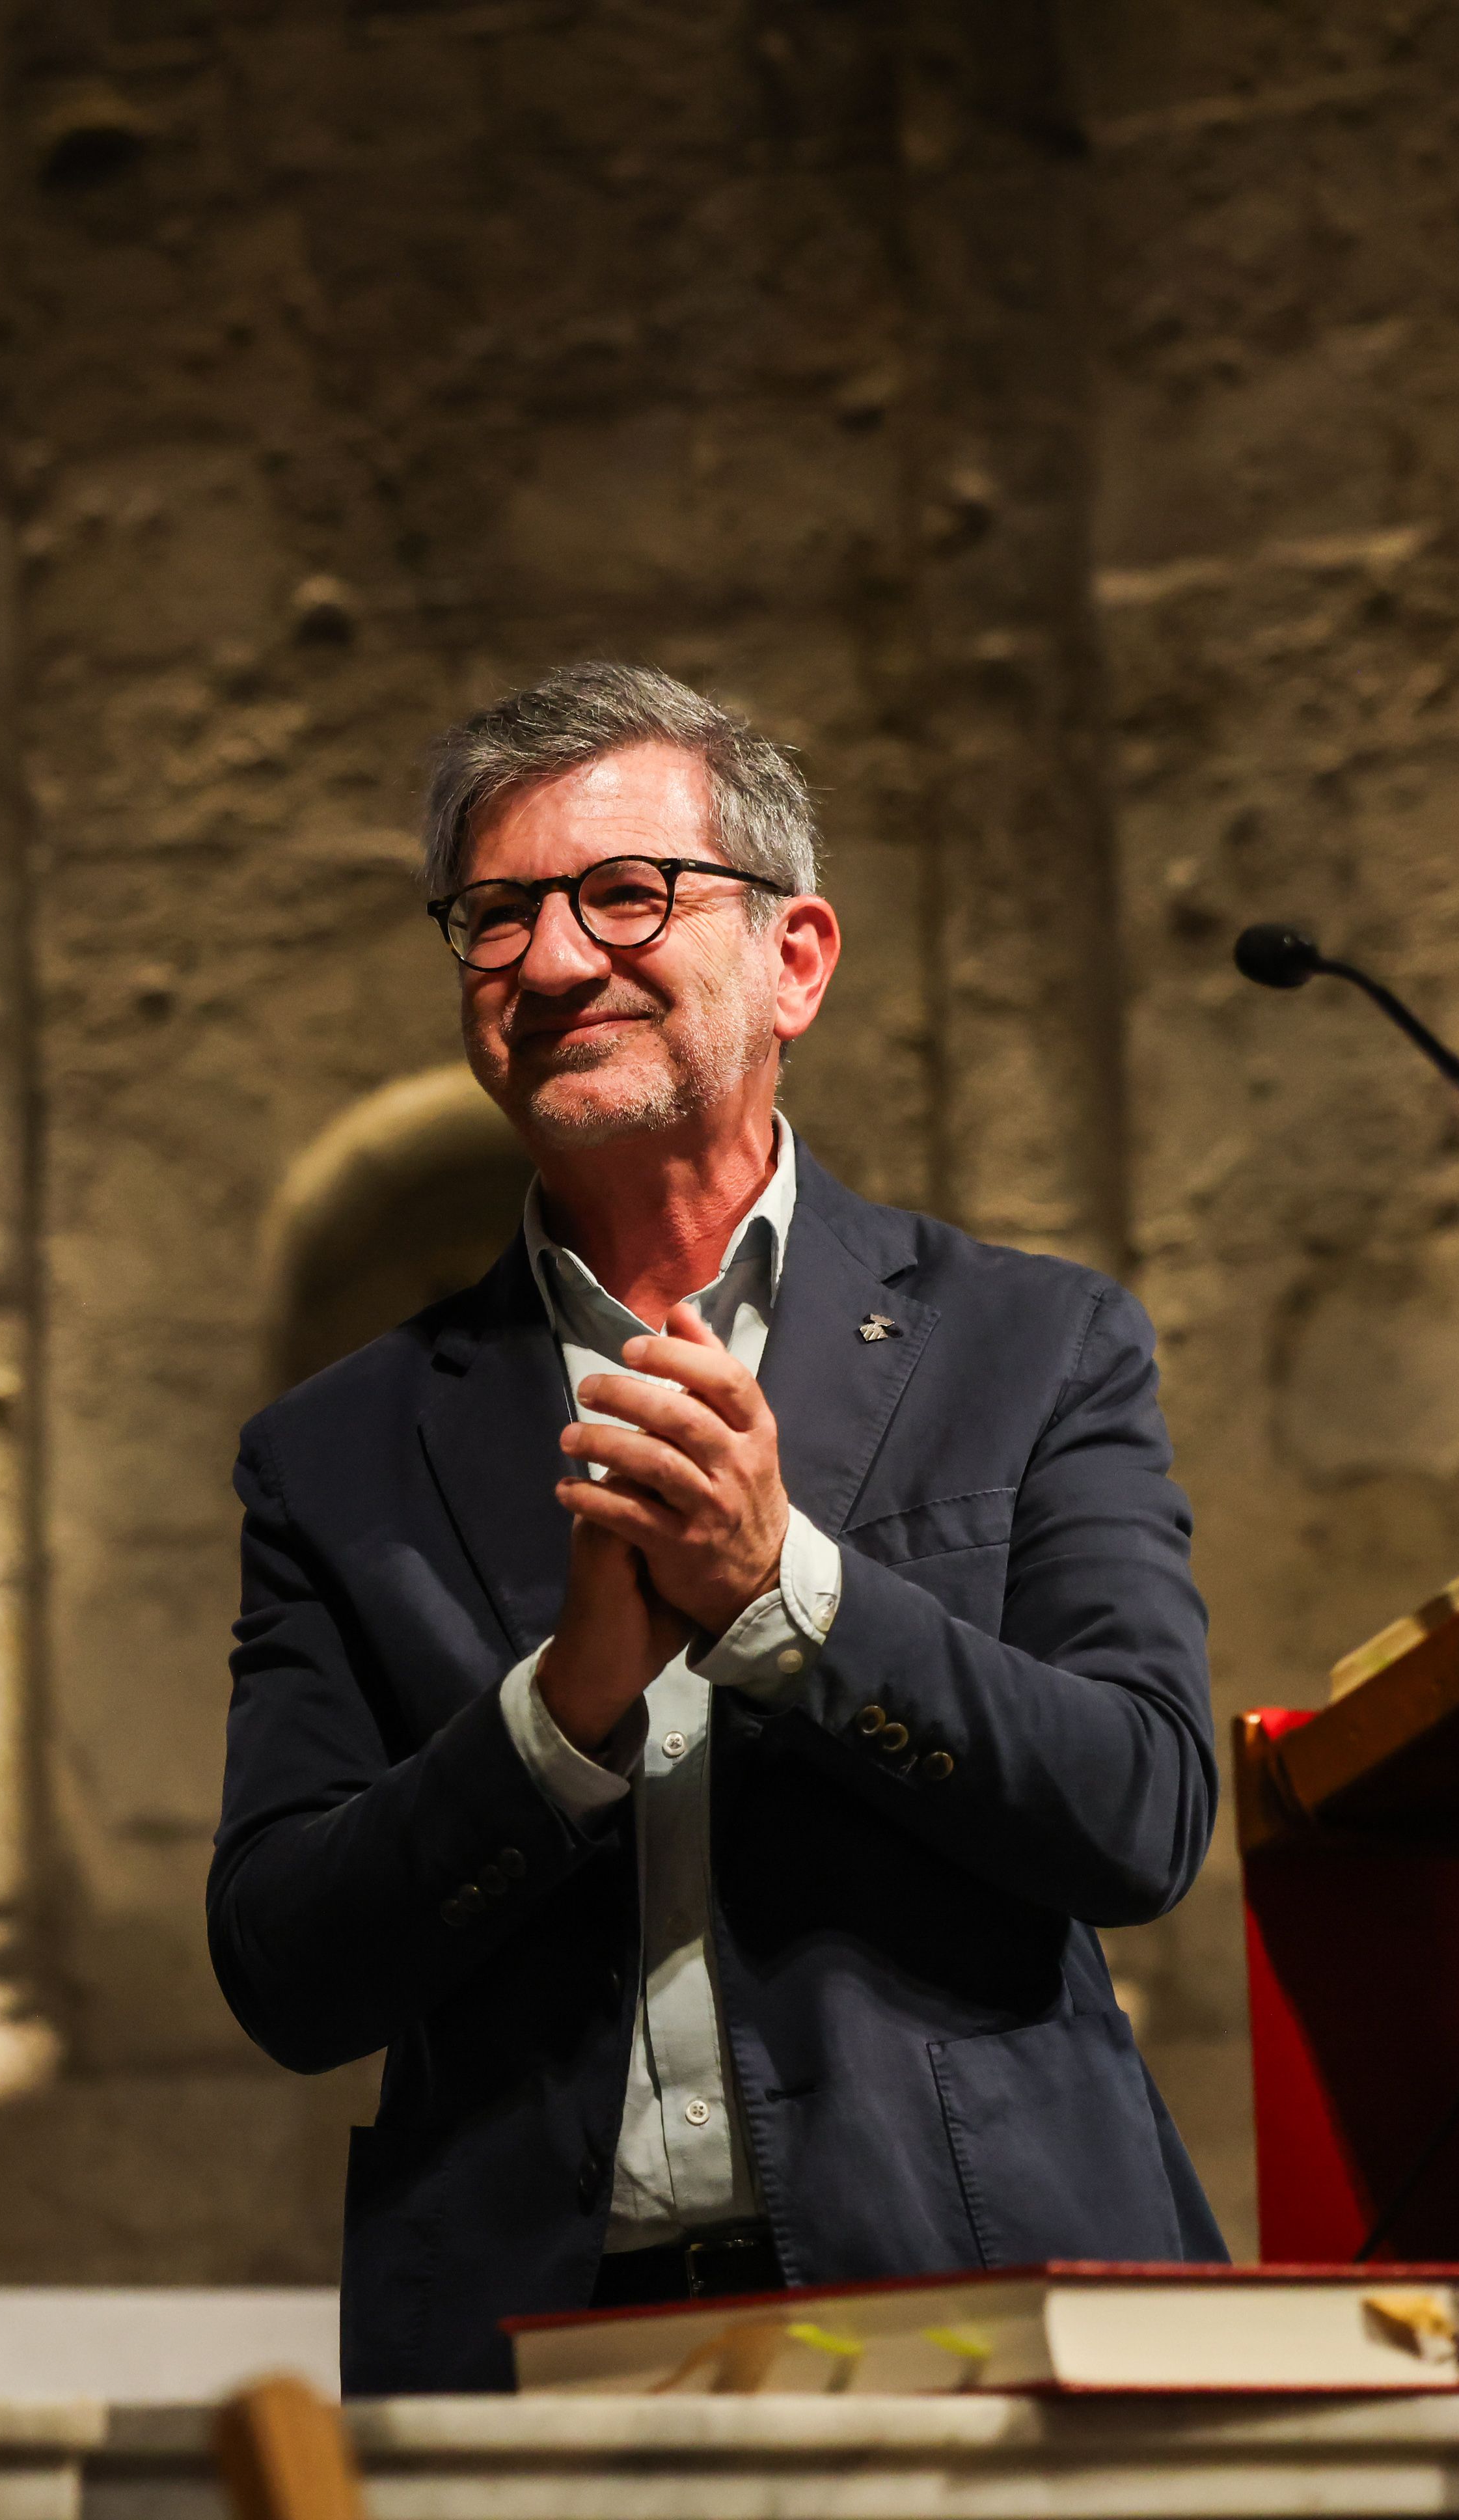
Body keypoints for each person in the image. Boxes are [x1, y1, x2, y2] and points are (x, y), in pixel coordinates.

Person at [208, 663, 1220, 2396]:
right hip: (532, 2357)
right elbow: (287, 1971)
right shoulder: (335, 1452)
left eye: (625, 894)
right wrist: (559, 1719)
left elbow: (1142, 1813)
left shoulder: (1034, 1344)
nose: (547, 960)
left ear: (795, 959)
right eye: (495, 916)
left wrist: (788, 1597)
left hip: (973, 2304)